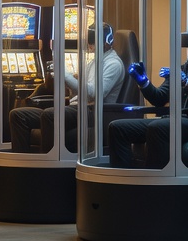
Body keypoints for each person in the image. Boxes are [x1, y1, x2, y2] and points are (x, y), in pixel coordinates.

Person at [106, 20, 188, 169]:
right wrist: (142, 81)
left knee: (158, 127)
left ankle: (154, 185)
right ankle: (123, 183)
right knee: (118, 128)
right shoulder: (186, 67)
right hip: (178, 120)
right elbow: (159, 98)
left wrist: (187, 83)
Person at [9, 23, 124, 153]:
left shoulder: (113, 64)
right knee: (18, 115)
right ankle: (22, 166)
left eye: (93, 40)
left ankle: (48, 166)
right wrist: (67, 81)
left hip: (92, 112)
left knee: (50, 115)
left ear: (107, 41)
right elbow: (79, 91)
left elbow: (93, 94)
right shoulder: (95, 61)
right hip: (77, 108)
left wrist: (66, 75)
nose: (90, 45)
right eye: (89, 40)